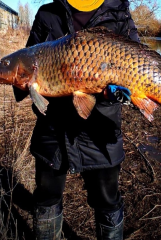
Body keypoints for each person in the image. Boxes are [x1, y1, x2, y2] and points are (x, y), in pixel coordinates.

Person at [13, 0, 139, 239]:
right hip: (53, 128)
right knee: (47, 196)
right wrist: (22, 84)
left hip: (101, 129)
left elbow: (136, 70)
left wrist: (119, 94)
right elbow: (26, 61)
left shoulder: (118, 12)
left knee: (107, 200)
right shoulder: (47, 14)